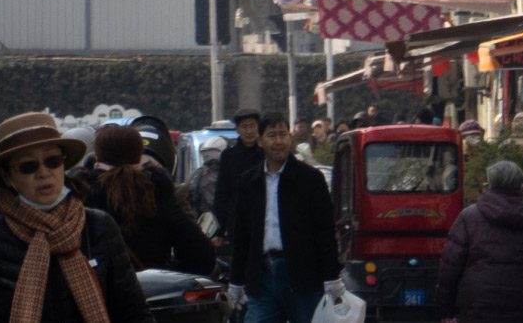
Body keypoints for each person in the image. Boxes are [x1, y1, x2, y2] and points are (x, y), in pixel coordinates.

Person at [0, 112, 153, 323]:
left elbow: (133, 311)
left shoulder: (98, 226)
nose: (43, 173)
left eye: (52, 161)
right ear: (8, 176)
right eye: (28, 166)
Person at [226, 114, 343, 323]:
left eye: (283, 134)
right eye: (272, 135)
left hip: (302, 274)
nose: (278, 141)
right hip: (262, 276)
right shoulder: (249, 182)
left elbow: (324, 231)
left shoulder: (311, 179)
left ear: (290, 138)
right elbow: (242, 235)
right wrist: (236, 282)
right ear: (260, 141)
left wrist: (332, 277)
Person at [436, 160, 523, 323]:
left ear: (491, 182)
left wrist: (446, 310)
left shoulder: (468, 217)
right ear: (518, 183)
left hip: (476, 309)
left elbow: (450, 268)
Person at [78, 124, 213, 274]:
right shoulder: (157, 191)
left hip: (98, 289)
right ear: (139, 155)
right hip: (150, 289)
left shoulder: (83, 194)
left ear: (98, 156)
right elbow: (200, 254)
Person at [214, 110, 265, 239]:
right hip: (236, 221)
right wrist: (219, 230)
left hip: (262, 219)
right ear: (237, 129)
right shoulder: (229, 156)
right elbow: (222, 192)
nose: (249, 131)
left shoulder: (266, 154)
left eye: (252, 126)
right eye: (245, 127)